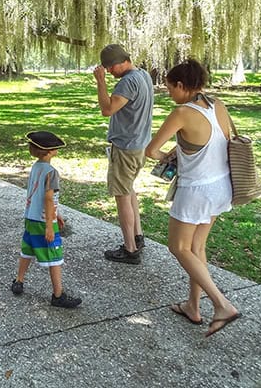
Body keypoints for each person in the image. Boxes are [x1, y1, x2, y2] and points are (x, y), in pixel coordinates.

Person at [145, 59, 241, 337]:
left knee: (178, 247)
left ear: (180, 85)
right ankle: (193, 307)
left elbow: (151, 150)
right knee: (197, 248)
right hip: (221, 186)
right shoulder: (218, 105)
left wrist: (168, 156)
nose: (168, 93)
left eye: (169, 87)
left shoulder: (182, 112)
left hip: (195, 190)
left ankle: (222, 305)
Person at [94, 44, 154, 264]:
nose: (109, 72)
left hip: (126, 147)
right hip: (140, 145)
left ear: (121, 62)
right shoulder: (143, 75)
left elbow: (107, 109)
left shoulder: (127, 82)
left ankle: (130, 249)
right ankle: (137, 236)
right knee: (129, 191)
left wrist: (100, 83)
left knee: (121, 196)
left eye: (110, 68)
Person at [11, 131, 82, 308]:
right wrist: (50, 224)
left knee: (27, 249)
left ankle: (19, 281)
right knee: (54, 255)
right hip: (43, 221)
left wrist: (56, 214)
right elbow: (49, 198)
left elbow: (37, 194)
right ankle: (58, 295)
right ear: (49, 151)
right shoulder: (51, 172)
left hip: (30, 218)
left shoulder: (36, 167)